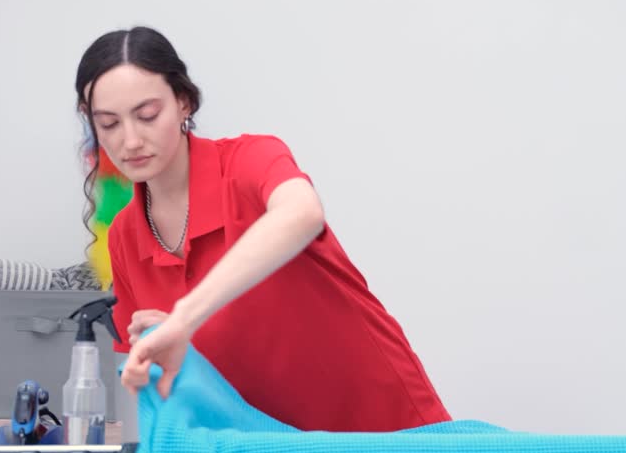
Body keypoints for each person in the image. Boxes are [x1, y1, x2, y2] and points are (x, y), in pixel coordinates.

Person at [75, 26, 450, 432]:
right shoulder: (126, 237)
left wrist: (184, 317)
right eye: (109, 124)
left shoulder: (250, 162)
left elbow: (302, 214)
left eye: (147, 115)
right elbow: (157, 379)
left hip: (379, 424)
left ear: (184, 102)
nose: (130, 140)